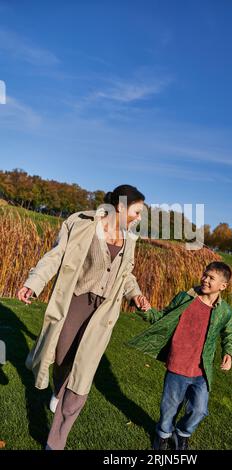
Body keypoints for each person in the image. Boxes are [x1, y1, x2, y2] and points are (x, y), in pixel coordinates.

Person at [17, 184, 151, 450]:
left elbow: (126, 275)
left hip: (102, 313)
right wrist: (34, 282)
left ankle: (55, 442)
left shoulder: (130, 239)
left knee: (82, 375)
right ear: (121, 207)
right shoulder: (82, 224)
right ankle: (58, 389)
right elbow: (56, 256)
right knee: (61, 357)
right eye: (136, 212)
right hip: (75, 302)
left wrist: (135, 295)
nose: (139, 218)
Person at [126, 261, 232, 450]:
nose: (205, 279)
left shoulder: (225, 311)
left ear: (223, 286)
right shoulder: (186, 298)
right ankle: (162, 436)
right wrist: (146, 310)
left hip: (202, 371)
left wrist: (229, 353)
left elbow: (229, 333)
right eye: (204, 274)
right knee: (169, 408)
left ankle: (182, 433)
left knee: (200, 410)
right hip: (177, 365)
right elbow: (163, 318)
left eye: (211, 278)